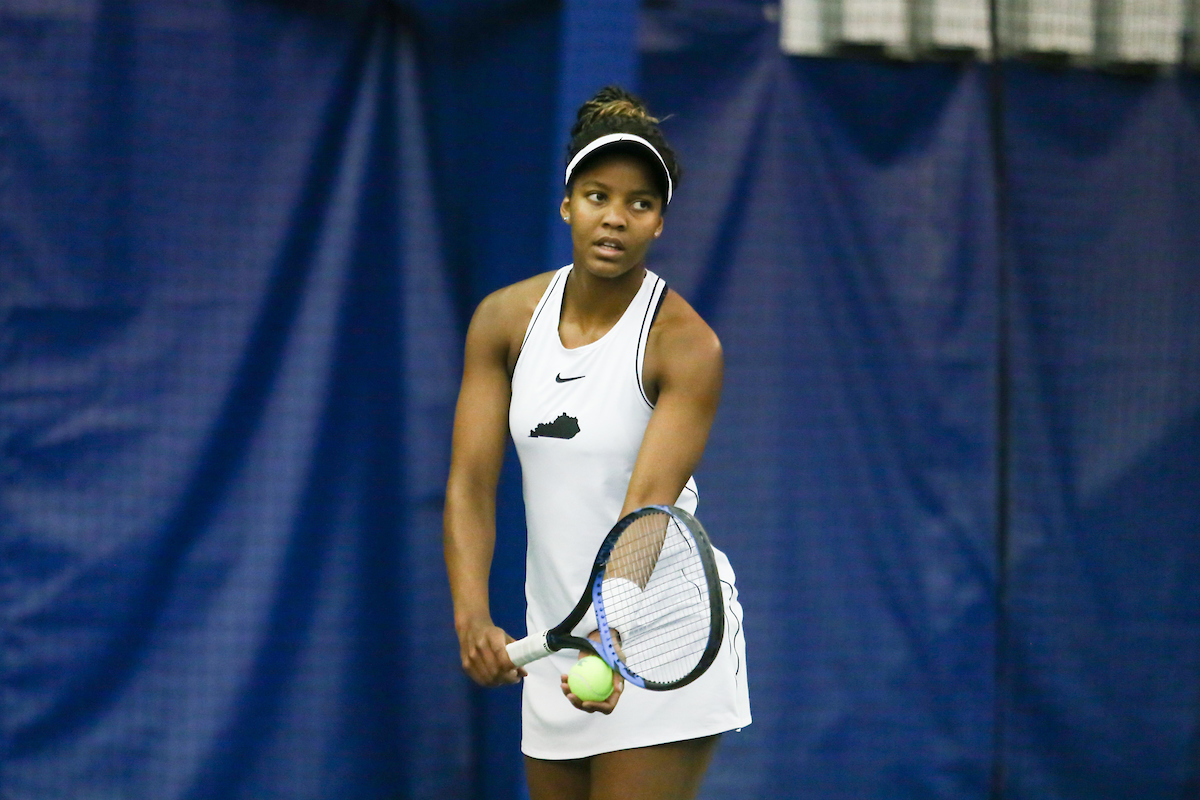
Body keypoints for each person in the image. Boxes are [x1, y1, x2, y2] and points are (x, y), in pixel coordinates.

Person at [443, 86, 751, 800]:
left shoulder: (687, 345)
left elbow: (647, 506)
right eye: (597, 196)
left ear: (659, 223)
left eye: (639, 203)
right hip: (556, 641)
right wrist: (472, 617)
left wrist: (614, 636)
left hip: (658, 633)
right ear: (567, 206)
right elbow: (469, 483)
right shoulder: (503, 321)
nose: (615, 216)